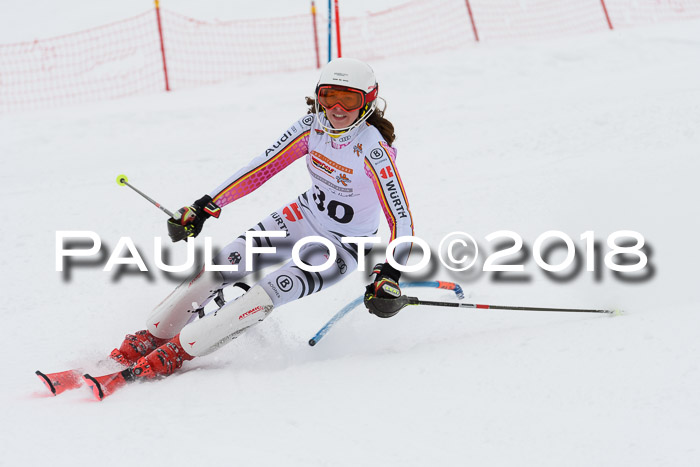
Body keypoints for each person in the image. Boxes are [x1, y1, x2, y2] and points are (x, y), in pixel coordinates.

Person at [111, 58, 415, 379]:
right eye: (328, 96)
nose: (337, 108)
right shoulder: (312, 127)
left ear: (367, 101)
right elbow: (261, 168)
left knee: (265, 292)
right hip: (301, 217)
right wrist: (206, 206)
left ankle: (177, 352)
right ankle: (154, 336)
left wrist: (390, 272)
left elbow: (402, 219)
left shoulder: (374, 150)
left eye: (349, 99)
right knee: (220, 266)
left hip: (341, 247)